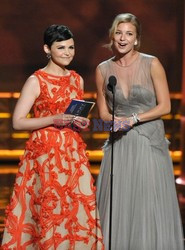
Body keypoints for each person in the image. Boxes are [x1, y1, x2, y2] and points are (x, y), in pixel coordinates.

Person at [1, 24, 104, 249]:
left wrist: (81, 122)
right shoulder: (36, 80)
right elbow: (18, 122)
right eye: (61, 47)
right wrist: (53, 119)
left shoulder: (77, 80)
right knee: (50, 211)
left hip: (73, 154)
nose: (68, 52)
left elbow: (72, 118)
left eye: (71, 47)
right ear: (47, 49)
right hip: (44, 156)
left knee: (78, 208)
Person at [95, 13, 184, 250]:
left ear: (136, 39)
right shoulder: (103, 69)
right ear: (112, 36)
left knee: (146, 203)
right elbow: (103, 114)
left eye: (129, 34)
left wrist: (132, 119)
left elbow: (165, 106)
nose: (123, 38)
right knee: (120, 204)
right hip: (120, 145)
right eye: (119, 33)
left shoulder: (152, 63)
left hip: (148, 142)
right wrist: (113, 122)